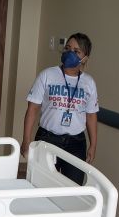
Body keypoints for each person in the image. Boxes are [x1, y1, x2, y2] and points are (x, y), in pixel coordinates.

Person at [20, 33, 98, 185]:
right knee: (41, 185)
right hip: (48, 139)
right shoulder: (47, 75)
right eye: (67, 48)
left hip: (76, 143)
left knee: (72, 189)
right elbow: (32, 109)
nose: (70, 53)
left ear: (84, 58)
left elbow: (91, 116)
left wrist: (93, 145)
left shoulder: (89, 83)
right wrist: (26, 140)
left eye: (76, 51)